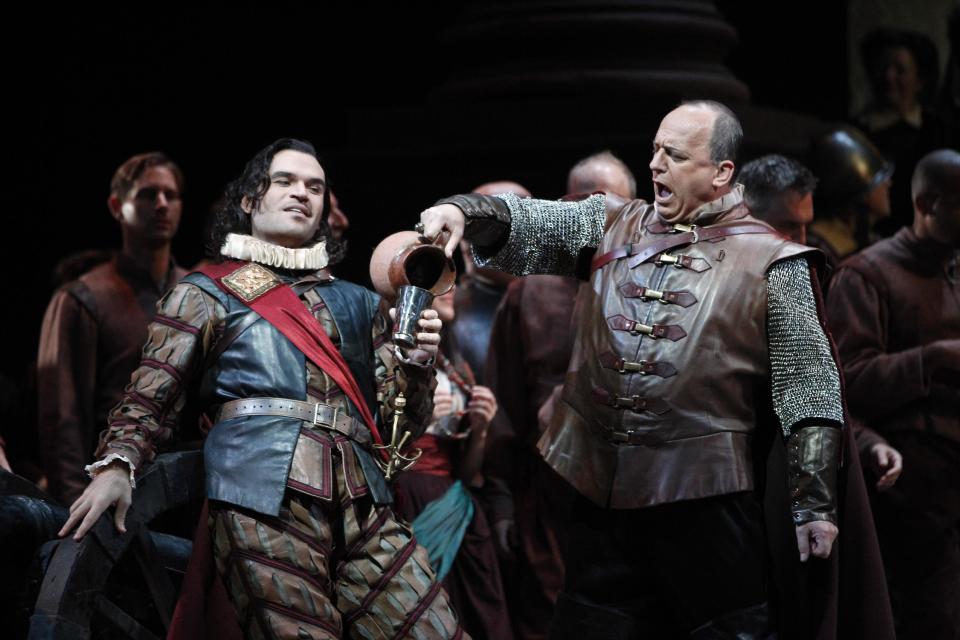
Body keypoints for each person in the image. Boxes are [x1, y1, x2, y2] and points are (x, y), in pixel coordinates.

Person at [419, 101, 892, 638]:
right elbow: (531, 221)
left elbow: (808, 388)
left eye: (675, 154)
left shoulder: (774, 262)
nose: (656, 165)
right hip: (605, 499)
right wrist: (464, 211)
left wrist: (814, 504)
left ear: (721, 173)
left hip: (709, 506)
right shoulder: (614, 224)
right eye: (655, 150)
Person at [58, 139, 466, 640]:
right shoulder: (205, 292)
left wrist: (418, 365)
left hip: (363, 502)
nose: (302, 194)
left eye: (315, 187)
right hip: (261, 492)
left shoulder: (359, 303)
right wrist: (119, 463)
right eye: (286, 182)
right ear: (250, 200)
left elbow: (394, 423)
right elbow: (150, 394)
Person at [484, 151, 636, 639]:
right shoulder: (528, 293)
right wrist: (503, 505)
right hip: (549, 500)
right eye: (580, 205)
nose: (594, 219)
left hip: (637, 495)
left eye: (608, 206)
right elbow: (504, 407)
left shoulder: (657, 283)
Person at [826, 148, 960, 640]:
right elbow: (846, 385)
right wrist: (936, 357)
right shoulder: (867, 276)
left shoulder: (954, 266)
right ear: (927, 204)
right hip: (914, 498)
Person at [37, 152, 188, 505]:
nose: (162, 204)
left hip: (185, 490)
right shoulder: (83, 298)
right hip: (109, 487)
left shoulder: (196, 294)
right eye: (148, 194)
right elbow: (63, 417)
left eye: (171, 195)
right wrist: (72, 502)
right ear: (117, 206)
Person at [394, 286, 512, 639]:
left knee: (477, 615)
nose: (453, 290)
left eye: (454, 281)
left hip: (455, 502)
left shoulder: (455, 363)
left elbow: (466, 470)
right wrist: (418, 419)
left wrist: (480, 430)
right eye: (441, 282)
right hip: (407, 499)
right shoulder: (390, 355)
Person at [855, 27, 946, 232]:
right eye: (883, 68)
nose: (889, 76)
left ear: (919, 81)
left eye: (900, 70)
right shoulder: (856, 132)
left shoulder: (938, 130)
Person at [452, 181, 529, 383]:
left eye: (484, 228)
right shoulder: (447, 308)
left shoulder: (562, 303)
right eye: (468, 227)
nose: (467, 241)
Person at [807, 126, 894, 275]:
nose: (888, 184)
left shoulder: (872, 242)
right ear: (860, 192)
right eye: (878, 181)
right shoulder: (817, 252)